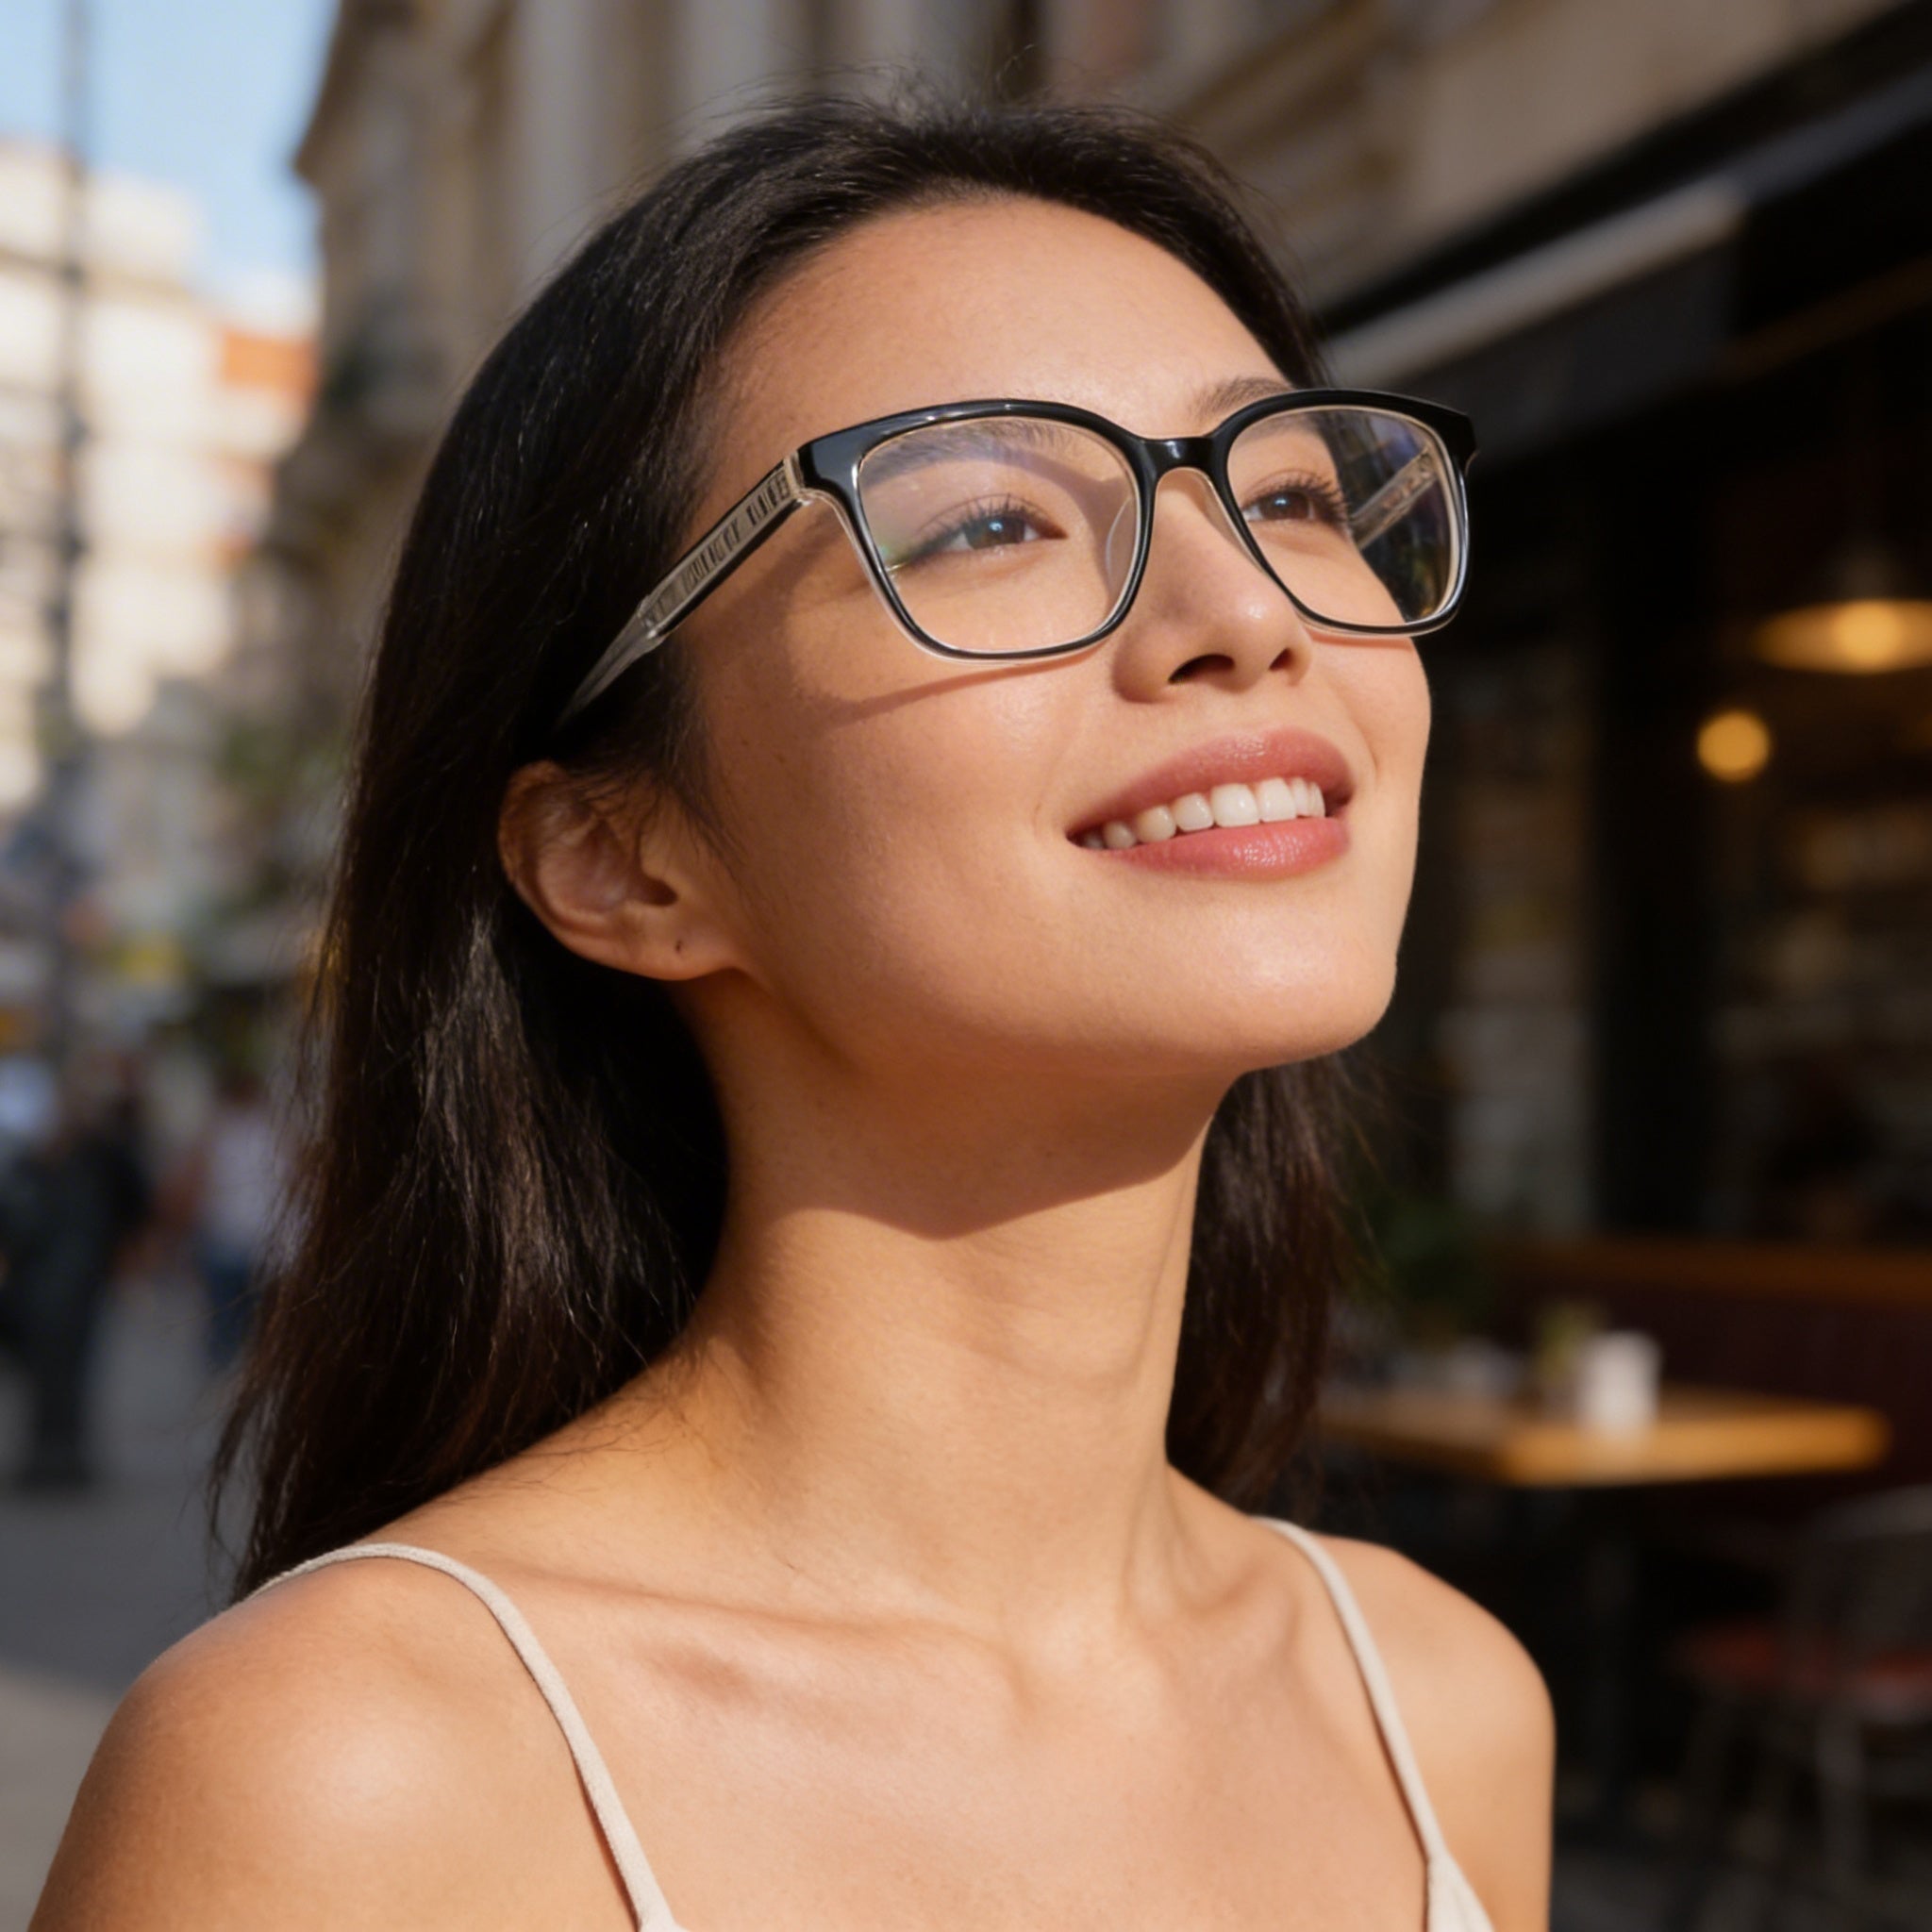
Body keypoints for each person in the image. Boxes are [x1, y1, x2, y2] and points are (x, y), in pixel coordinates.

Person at [32, 93, 1553, 1929]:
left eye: (1295, 492)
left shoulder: (1436, 1705)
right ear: (622, 856)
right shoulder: (353, 1780)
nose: (1244, 608)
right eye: (992, 517)